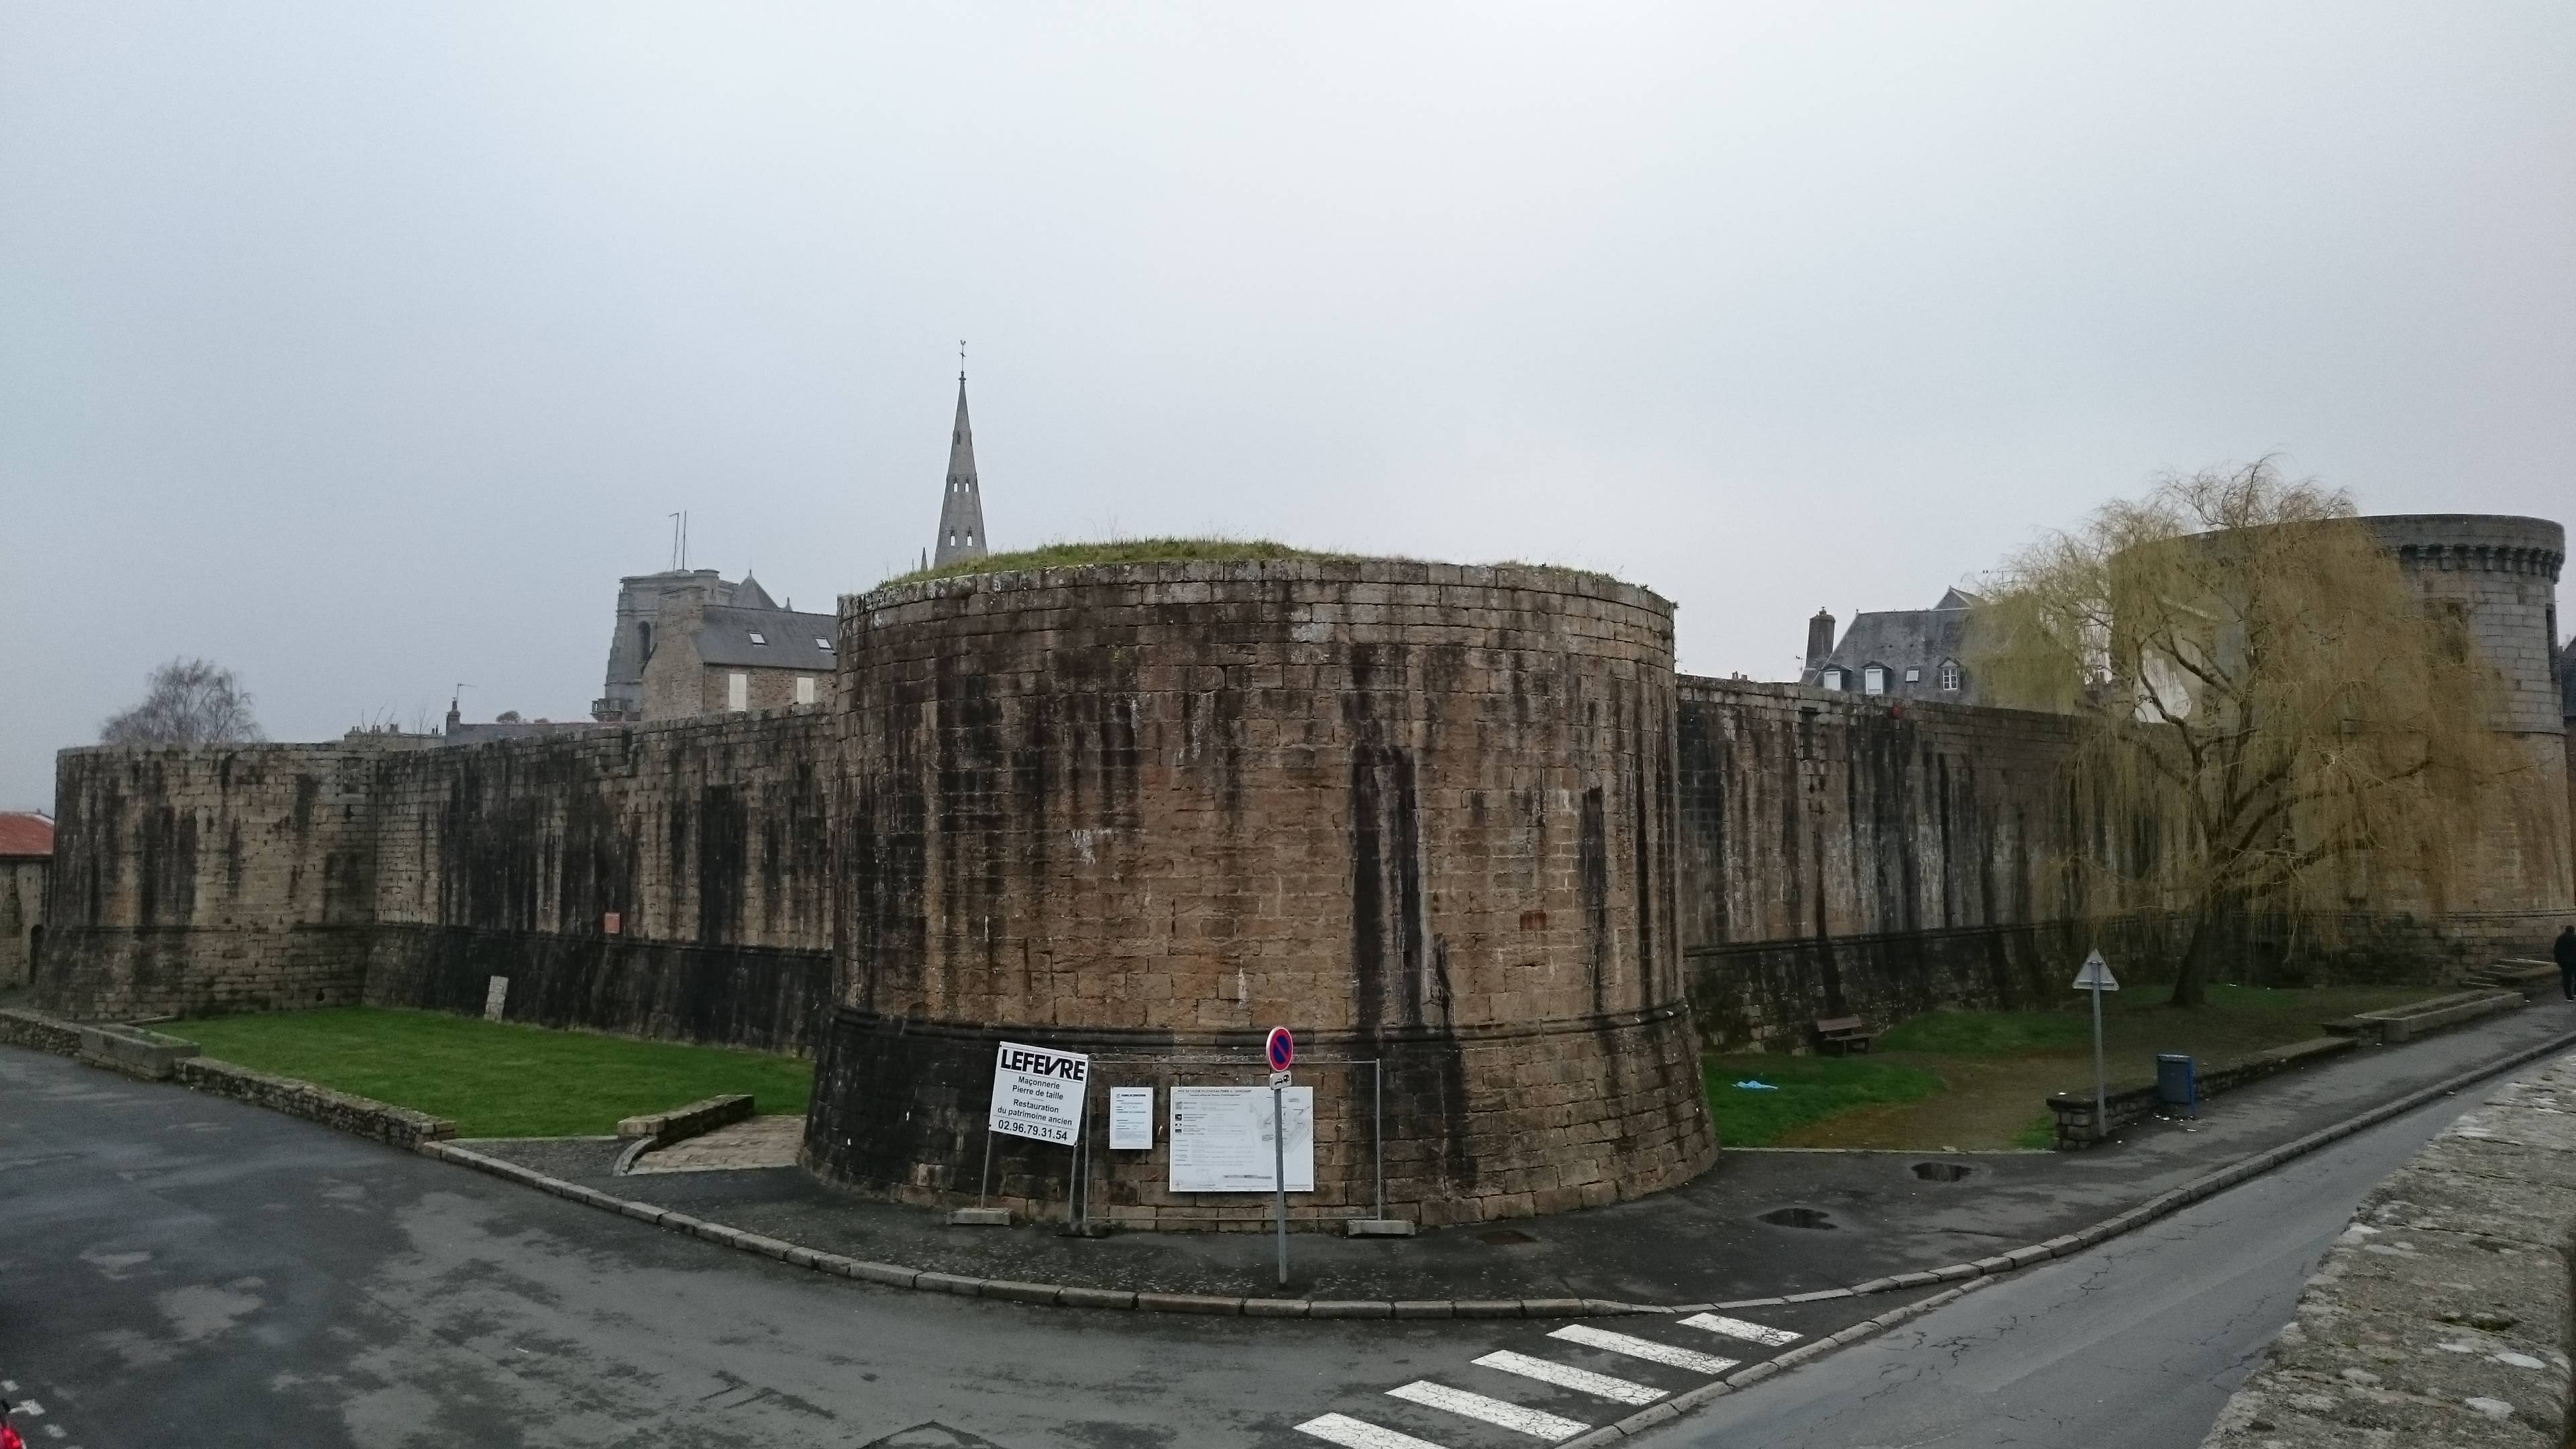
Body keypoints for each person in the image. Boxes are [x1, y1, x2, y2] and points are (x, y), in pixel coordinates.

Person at [2559, 923, 2576, 1003]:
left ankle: (2569, 997)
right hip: (2574, 962)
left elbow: (2557, 951)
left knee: (2567, 980)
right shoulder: (2574, 938)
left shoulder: (2561, 939)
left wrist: (2560, 962)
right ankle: (2575, 991)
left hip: (2565, 963)